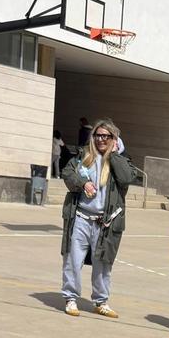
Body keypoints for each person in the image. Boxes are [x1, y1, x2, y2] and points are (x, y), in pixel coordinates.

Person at [59, 119, 141, 320]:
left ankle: (101, 301)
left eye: (107, 136)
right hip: (80, 218)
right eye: (98, 135)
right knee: (73, 259)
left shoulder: (121, 160)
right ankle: (70, 298)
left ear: (114, 139)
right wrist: (83, 183)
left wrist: (114, 155)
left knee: (103, 263)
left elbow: (127, 178)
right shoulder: (82, 155)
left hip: (105, 222)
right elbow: (67, 173)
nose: (101, 139)